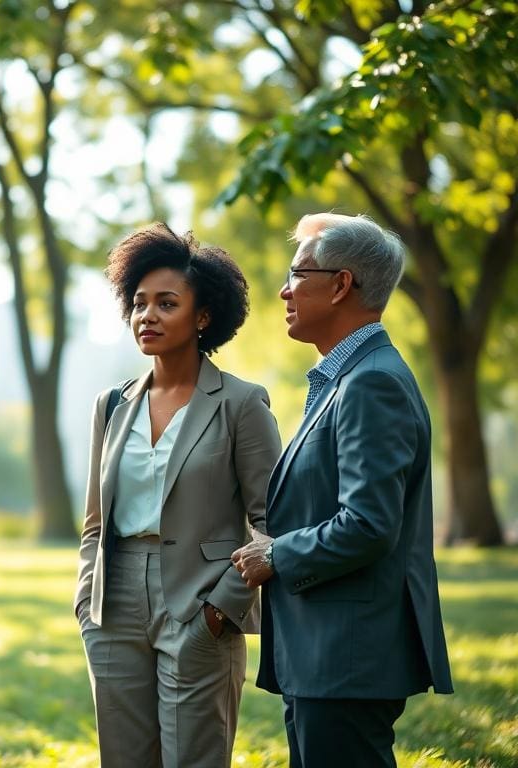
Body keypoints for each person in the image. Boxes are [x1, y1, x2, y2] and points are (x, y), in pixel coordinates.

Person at [231, 212, 454, 768]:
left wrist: (276, 554)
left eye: (298, 273)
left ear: (340, 285)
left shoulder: (370, 383)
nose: (284, 289)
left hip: (348, 658)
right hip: (324, 657)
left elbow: (369, 525)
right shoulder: (347, 377)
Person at [74, 223, 282, 768]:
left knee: (195, 758)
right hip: (113, 603)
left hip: (200, 599)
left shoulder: (242, 404)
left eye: (167, 303)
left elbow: (273, 522)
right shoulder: (111, 405)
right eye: (139, 303)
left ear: (204, 315)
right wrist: (87, 602)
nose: (147, 315)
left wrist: (222, 610)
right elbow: (95, 520)